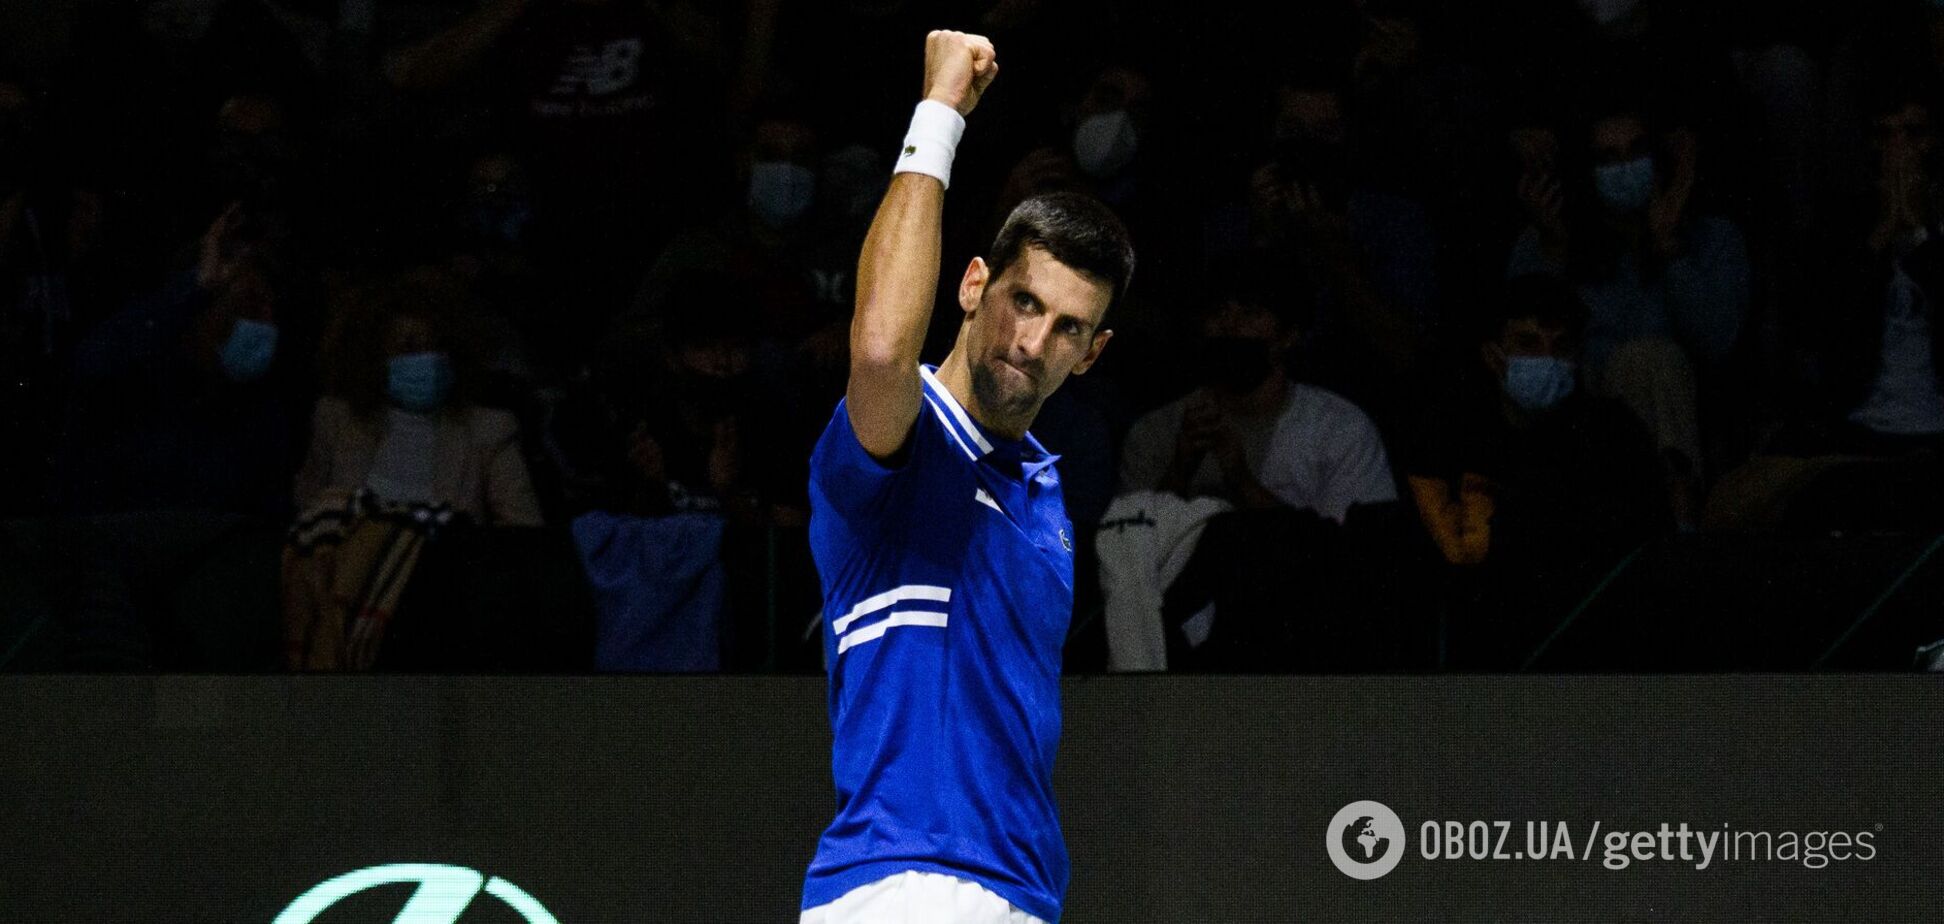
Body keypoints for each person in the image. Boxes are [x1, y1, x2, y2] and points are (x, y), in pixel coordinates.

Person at [799, 31, 1133, 924]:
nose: (1033, 341)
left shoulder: (1047, 494)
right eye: (1024, 301)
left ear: (1092, 353)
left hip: (1022, 892)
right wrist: (940, 113)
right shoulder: (896, 449)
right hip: (902, 883)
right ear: (974, 284)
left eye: (1067, 327)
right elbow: (876, 347)